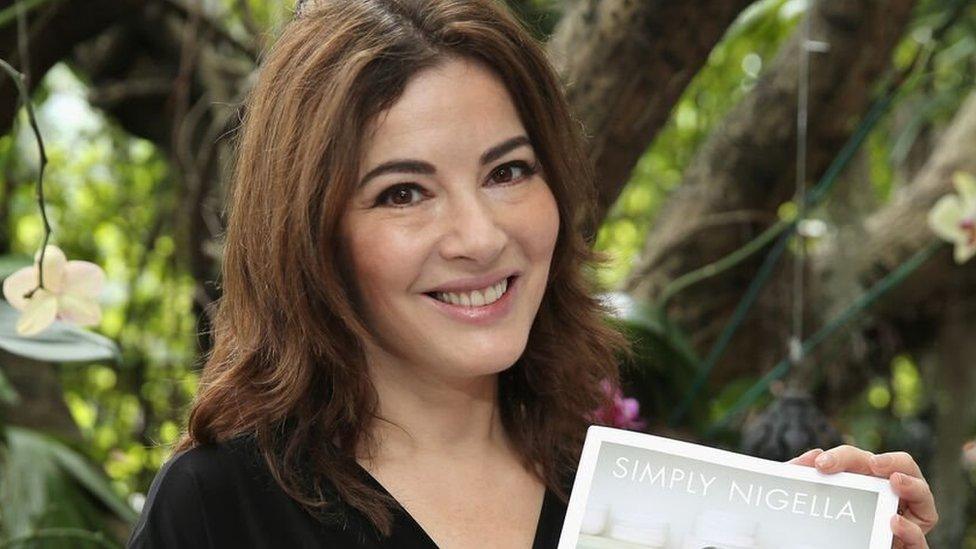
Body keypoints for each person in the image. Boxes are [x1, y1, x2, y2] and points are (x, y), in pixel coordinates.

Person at [127, 0, 939, 547]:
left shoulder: (638, 500)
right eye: (404, 192)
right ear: (312, 236)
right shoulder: (218, 508)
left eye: (508, 171)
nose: (480, 236)